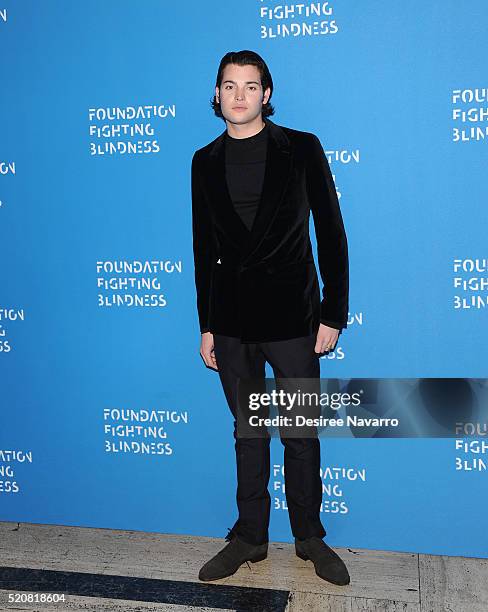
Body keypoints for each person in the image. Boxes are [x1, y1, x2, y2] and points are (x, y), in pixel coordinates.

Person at [191, 50, 350, 585]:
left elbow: (331, 233)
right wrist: (207, 323)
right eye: (229, 85)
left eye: (250, 85)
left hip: (293, 318)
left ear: (266, 93)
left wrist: (333, 313)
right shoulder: (203, 161)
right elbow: (204, 247)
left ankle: (309, 536)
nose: (239, 95)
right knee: (248, 434)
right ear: (217, 95)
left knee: (300, 433)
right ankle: (250, 538)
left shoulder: (300, 149)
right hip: (233, 322)